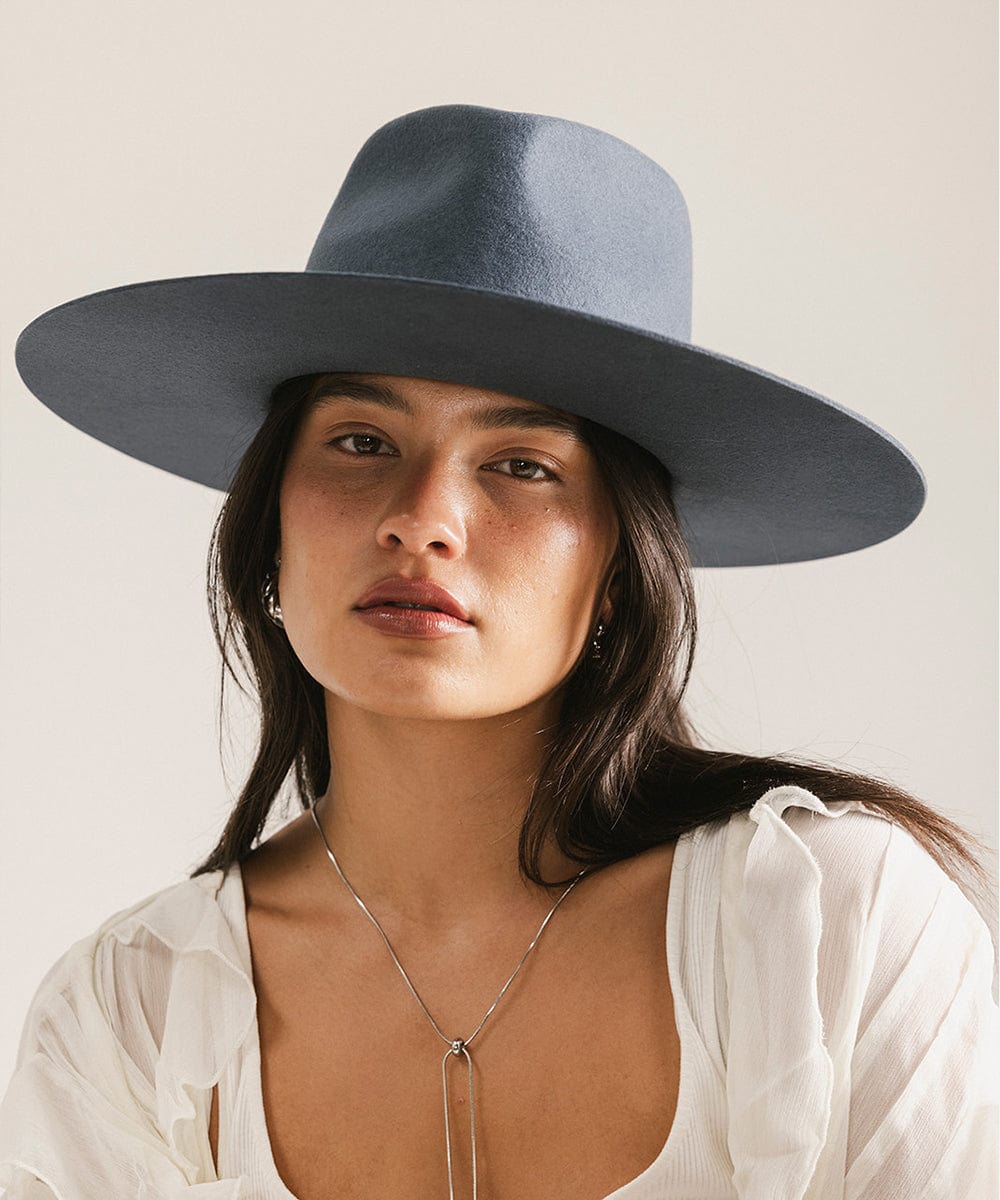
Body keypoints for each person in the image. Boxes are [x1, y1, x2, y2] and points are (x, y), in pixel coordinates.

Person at [1, 103, 996, 1200]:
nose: (421, 519)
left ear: (622, 562)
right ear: (270, 522)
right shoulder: (130, 1017)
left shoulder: (825, 928)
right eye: (361, 443)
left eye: (521, 465)